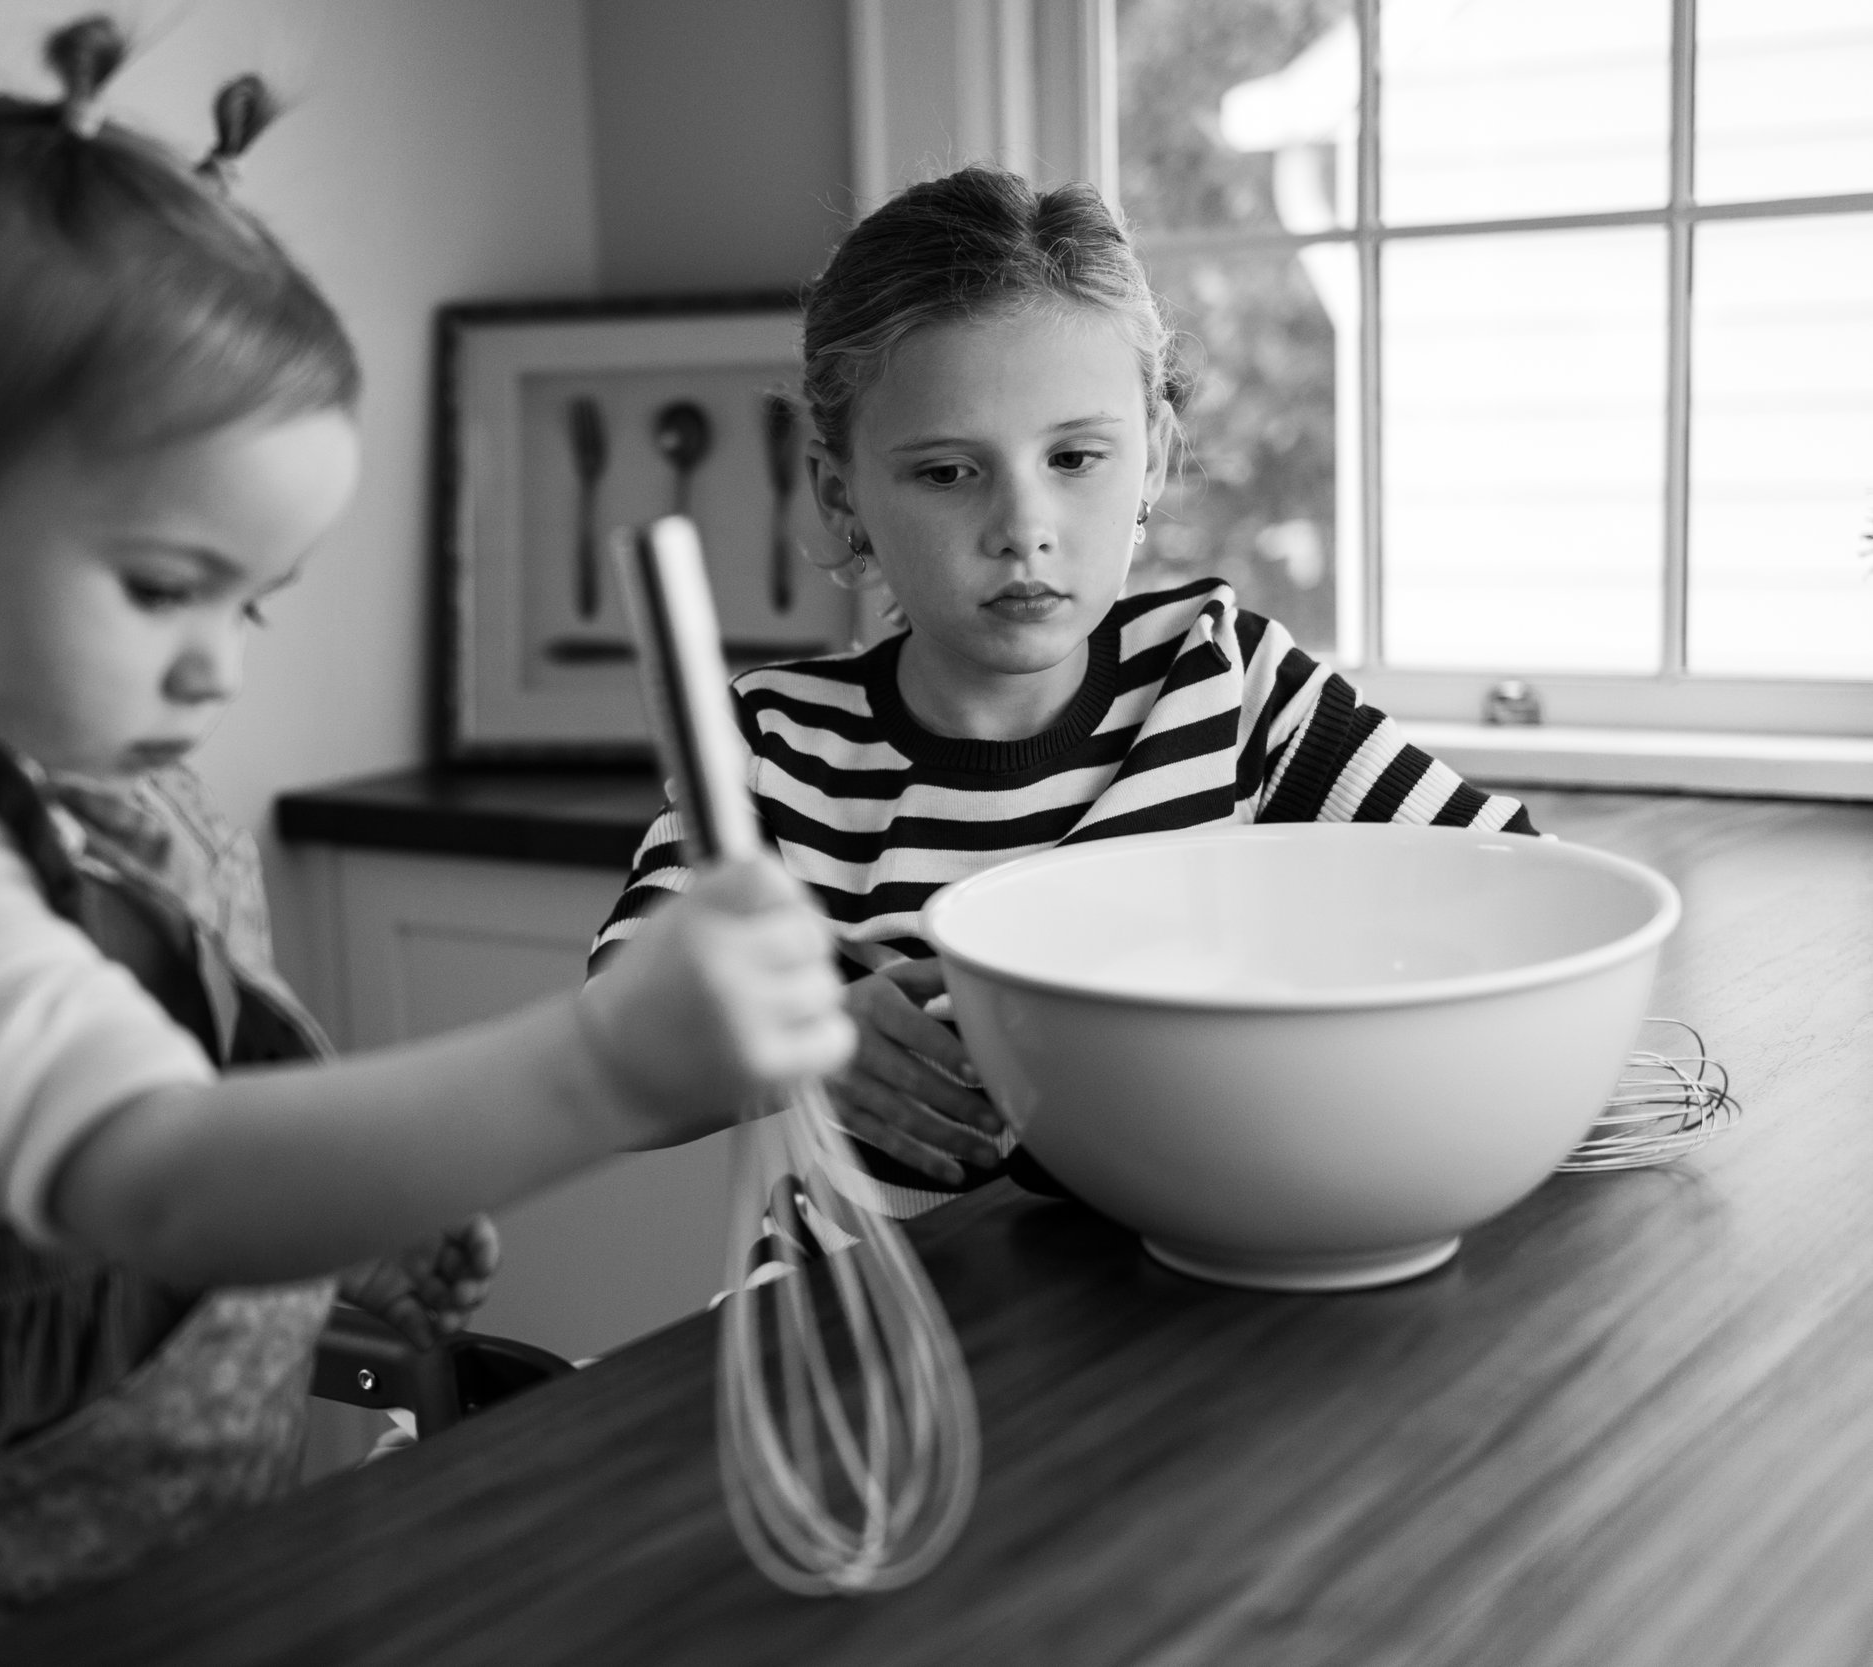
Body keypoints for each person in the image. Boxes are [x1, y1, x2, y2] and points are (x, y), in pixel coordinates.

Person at [0, 19, 851, 1665]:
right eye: (169, 585)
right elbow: (155, 1178)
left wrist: (327, 1238)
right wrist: (603, 1066)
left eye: (259, 599)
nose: (222, 662)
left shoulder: (80, 775)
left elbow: (156, 1109)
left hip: (172, 1575)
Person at [589, 166, 1532, 1222]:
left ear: (1154, 463)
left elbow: (1516, 896)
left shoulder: (1229, 684)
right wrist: (801, 1044)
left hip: (1201, 1301)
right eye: (948, 472)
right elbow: (618, 1050)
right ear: (838, 490)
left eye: (1076, 456)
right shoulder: (774, 746)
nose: (1022, 525)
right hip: (882, 1332)